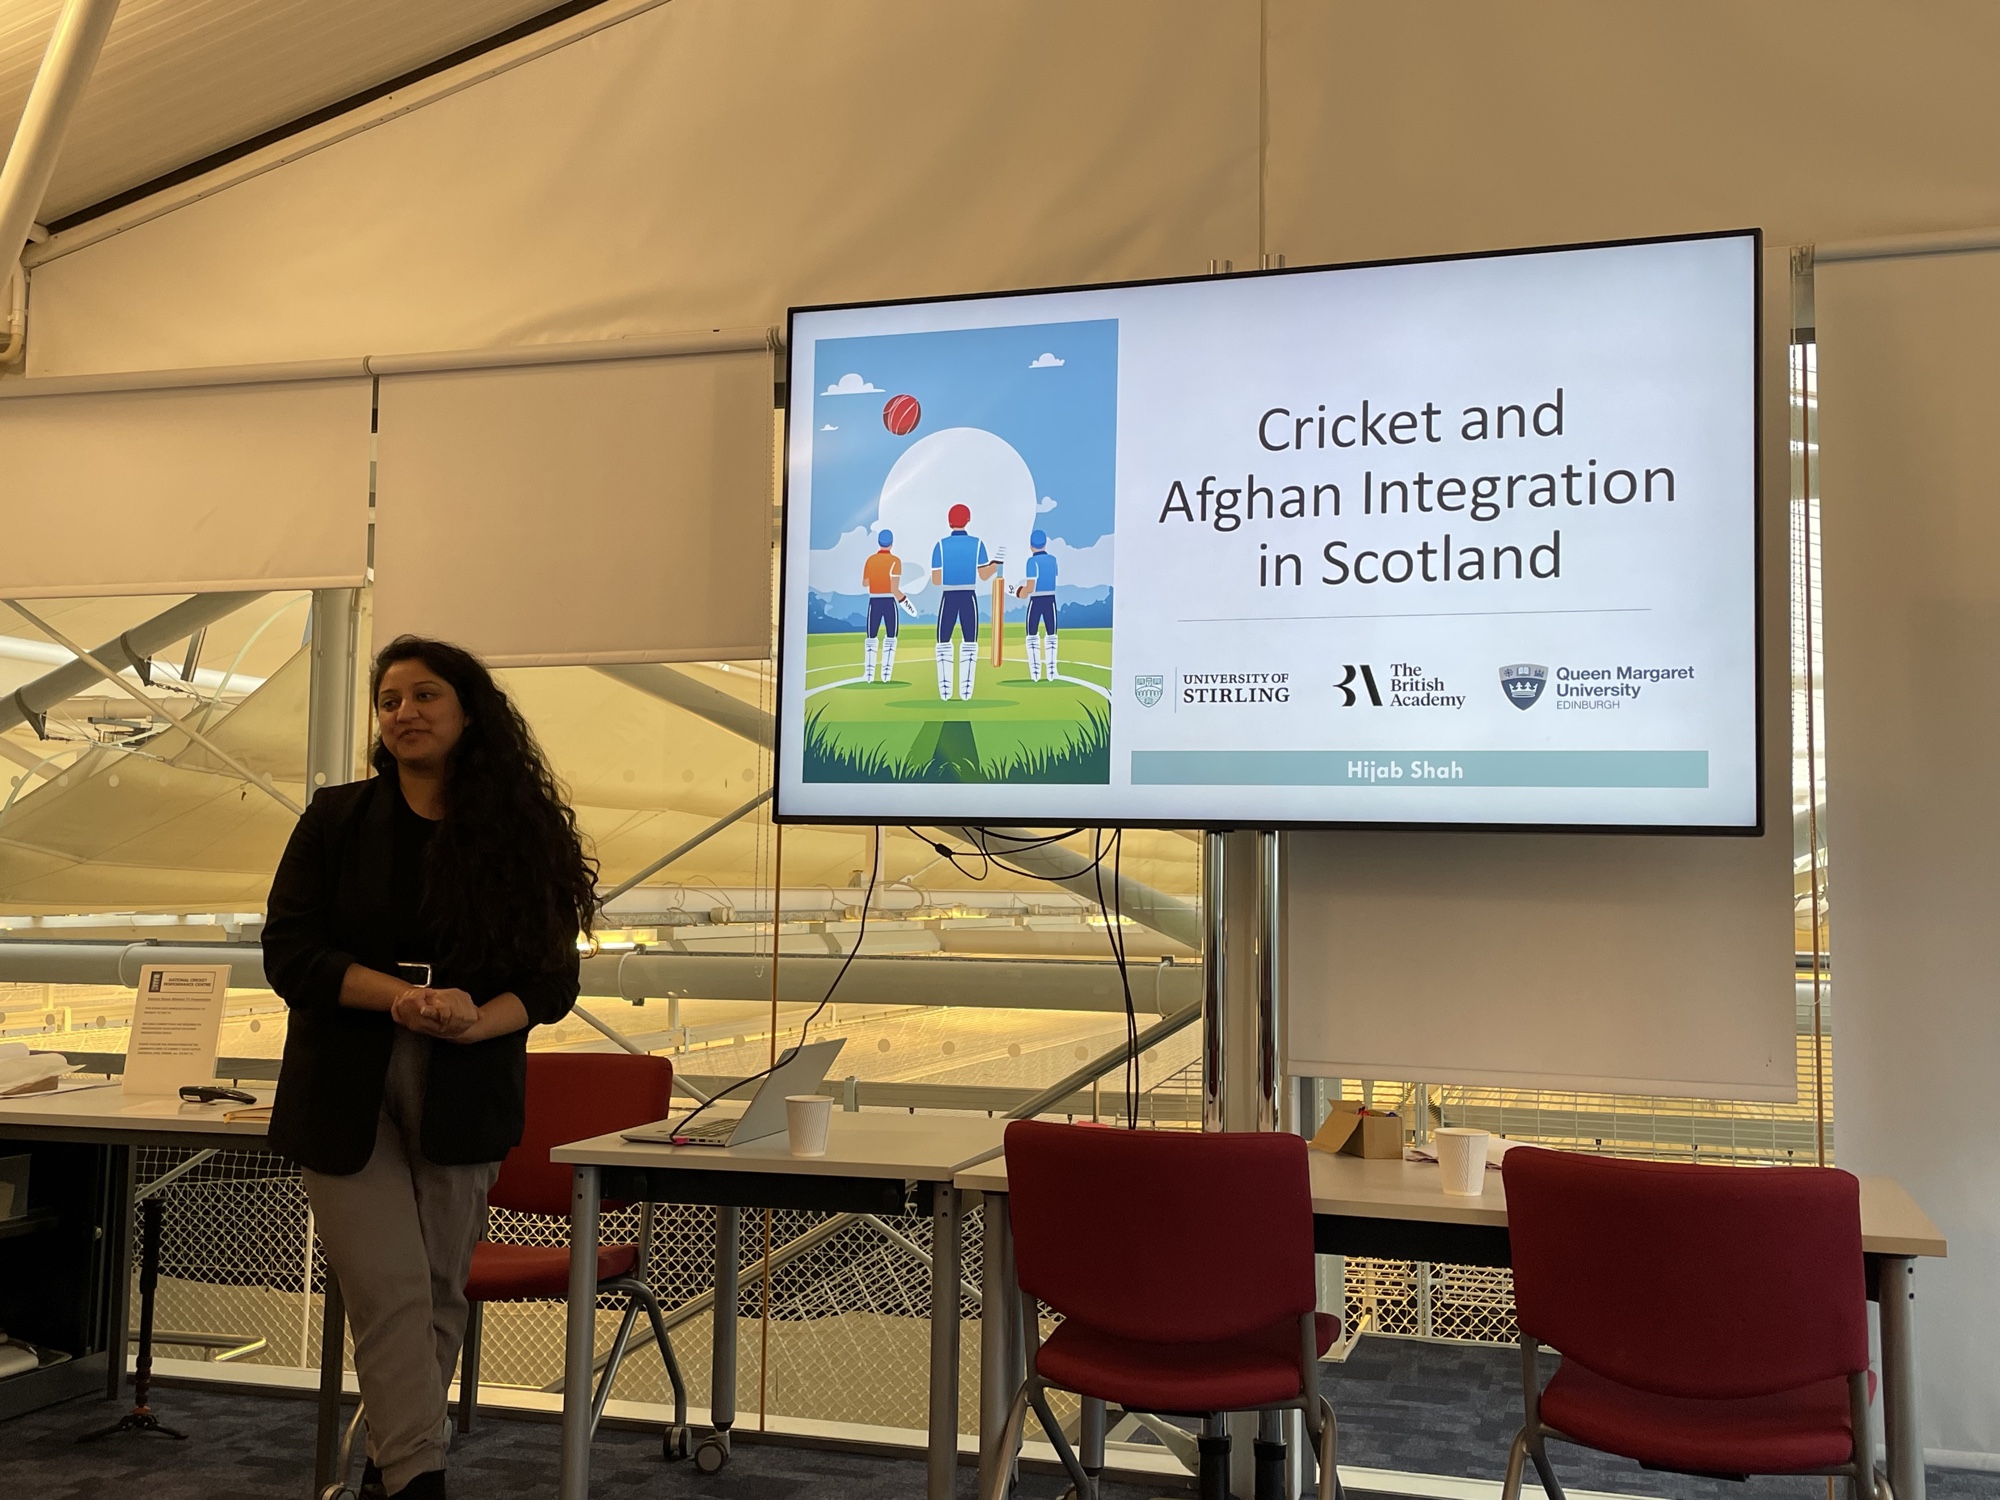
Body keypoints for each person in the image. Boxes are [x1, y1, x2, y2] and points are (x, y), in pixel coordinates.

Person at [263, 637, 595, 1500]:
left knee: (440, 1291)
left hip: (466, 1079)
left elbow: (551, 983)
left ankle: (392, 1471)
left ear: (468, 710)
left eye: (425, 695)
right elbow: (290, 954)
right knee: (392, 1288)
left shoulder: (520, 835)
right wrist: (400, 1000)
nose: (404, 712)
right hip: (343, 1086)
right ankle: (419, 1482)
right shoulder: (335, 819)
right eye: (389, 701)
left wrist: (476, 1019)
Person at [929, 502, 998, 701]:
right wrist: (995, 566)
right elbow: (984, 575)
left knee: (943, 642)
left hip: (948, 597)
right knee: (969, 642)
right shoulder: (977, 544)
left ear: (949, 521)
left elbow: (936, 580)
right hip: (968, 596)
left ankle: (945, 691)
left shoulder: (940, 545)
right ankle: (966, 691)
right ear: (968, 520)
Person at [860, 527, 906, 683]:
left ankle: (869, 674)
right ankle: (886, 674)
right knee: (891, 637)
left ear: (878, 542)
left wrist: (876, 578)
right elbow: (894, 587)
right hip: (889, 601)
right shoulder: (895, 561)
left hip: (874, 601)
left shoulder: (870, 560)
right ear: (891, 544)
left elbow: (865, 583)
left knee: (871, 637)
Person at [1014, 528, 1060, 682]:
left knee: (1032, 635)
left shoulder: (1031, 562)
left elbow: (1030, 587)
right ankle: (1052, 671)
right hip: (1050, 599)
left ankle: (1035, 672)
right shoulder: (1053, 560)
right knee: (1051, 635)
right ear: (1045, 544)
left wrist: (1018, 592)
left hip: (1036, 600)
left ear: (1031, 546)